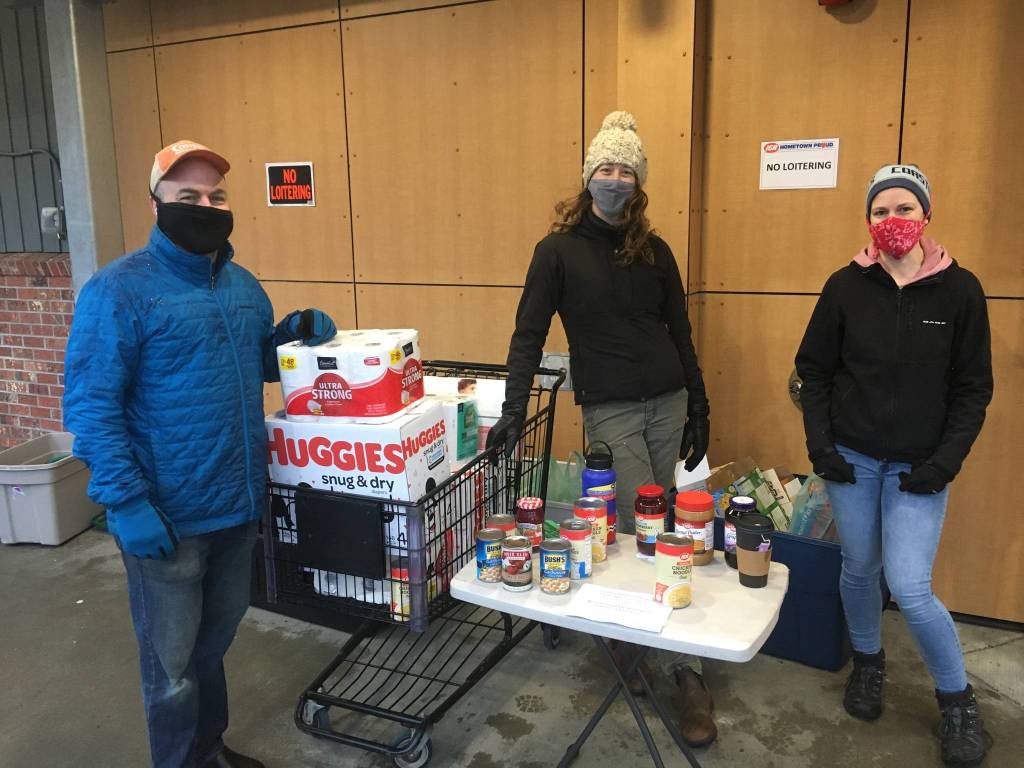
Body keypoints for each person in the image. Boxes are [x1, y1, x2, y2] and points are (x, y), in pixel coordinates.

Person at [63, 140, 337, 768]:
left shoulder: (243, 287)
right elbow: (90, 408)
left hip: (236, 507)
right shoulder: (119, 291)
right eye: (188, 196)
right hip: (168, 518)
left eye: (217, 196)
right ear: (156, 203)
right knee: (172, 669)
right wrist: (126, 503)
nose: (206, 207)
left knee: (211, 651)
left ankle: (208, 752)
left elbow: (253, 364)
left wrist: (291, 339)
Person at [488, 111, 715, 747]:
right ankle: (654, 652)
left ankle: (675, 663)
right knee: (644, 525)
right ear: (589, 176)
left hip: (667, 400)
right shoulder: (557, 252)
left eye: (627, 171)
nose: (616, 179)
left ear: (639, 182)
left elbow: (680, 331)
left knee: (667, 525)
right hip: (610, 407)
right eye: (606, 168)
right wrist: (513, 409)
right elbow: (528, 334)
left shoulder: (656, 251)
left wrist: (700, 405)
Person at [796, 164, 993, 767]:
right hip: (852, 459)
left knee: (908, 586)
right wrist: (822, 447)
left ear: (926, 215)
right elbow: (814, 371)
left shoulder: (961, 290)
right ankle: (868, 663)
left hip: (919, 467)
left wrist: (944, 463)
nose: (892, 220)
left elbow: (973, 389)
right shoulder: (844, 286)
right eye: (880, 211)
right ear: (868, 220)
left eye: (904, 208)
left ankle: (957, 701)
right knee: (859, 569)